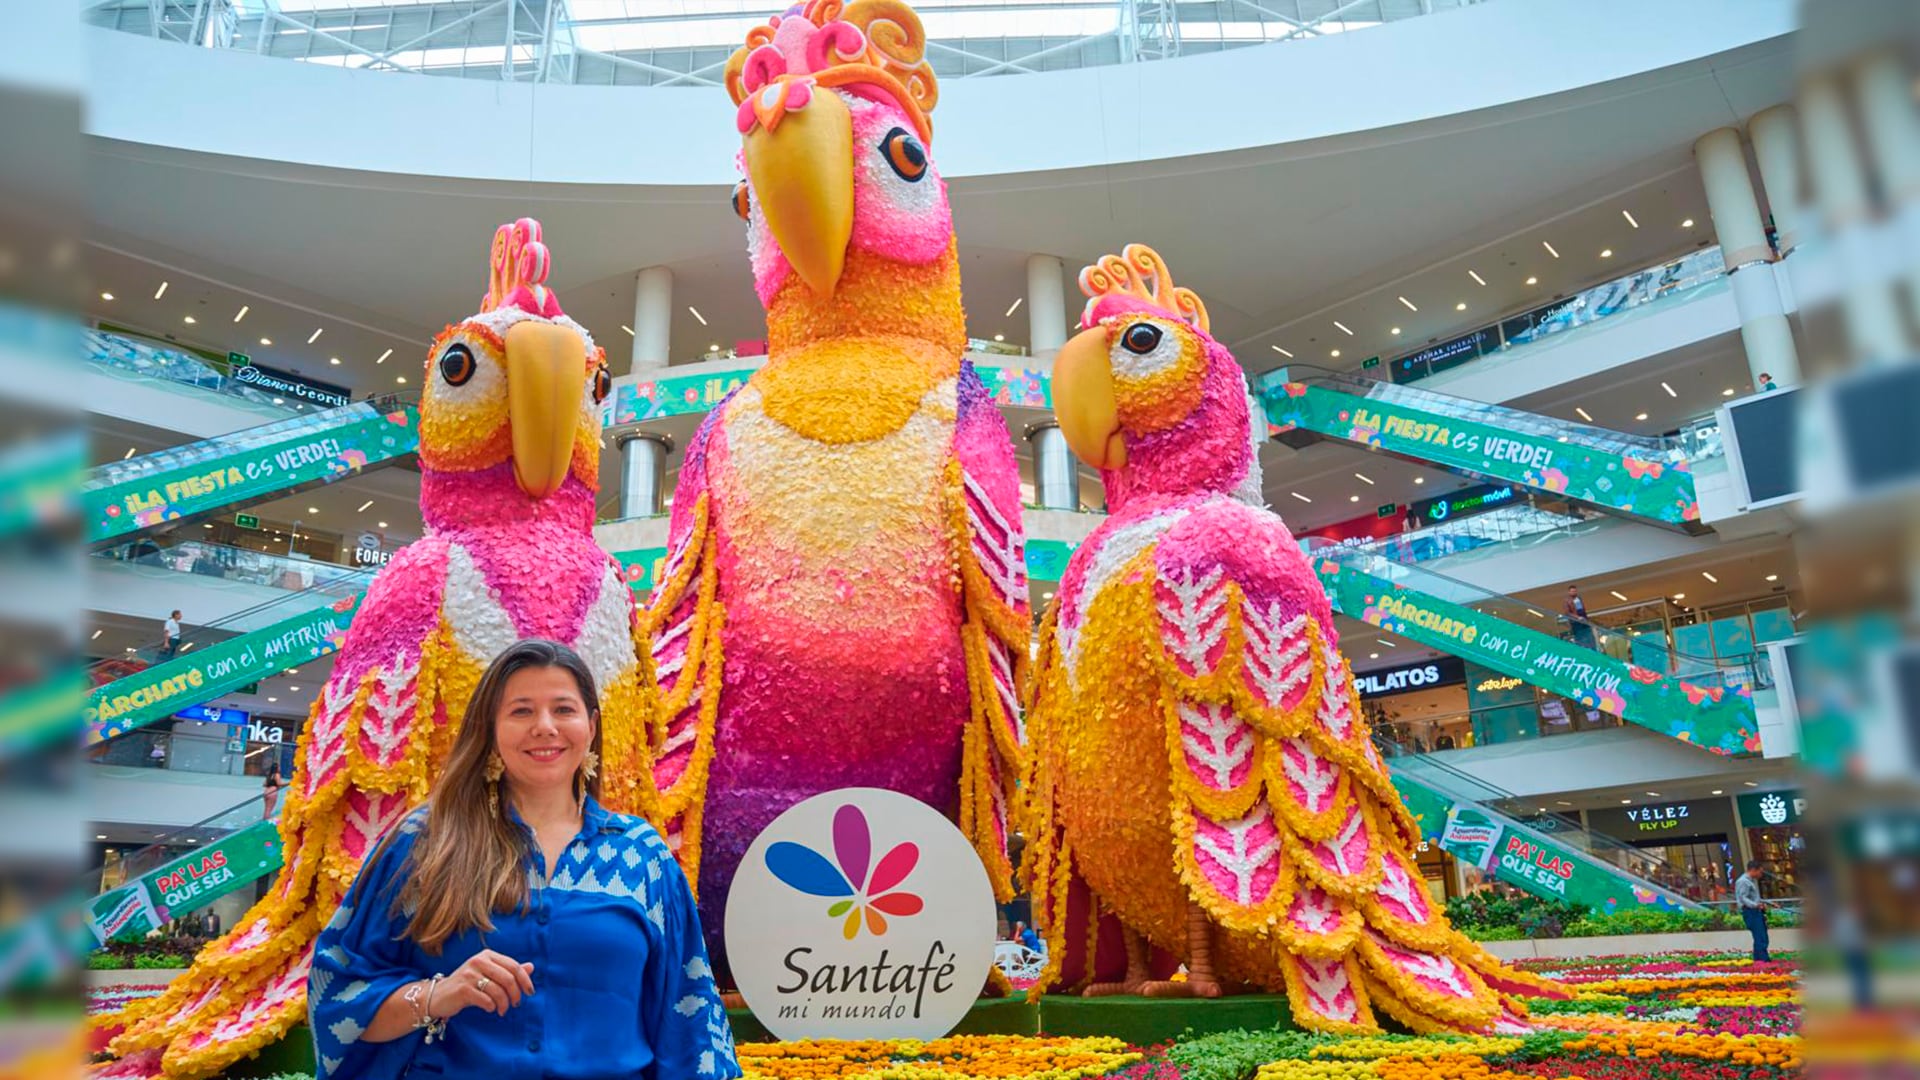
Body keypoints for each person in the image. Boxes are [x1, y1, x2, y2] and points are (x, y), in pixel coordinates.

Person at [309, 639, 739, 1080]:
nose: (545, 726)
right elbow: (336, 997)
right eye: (521, 711)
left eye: (564, 709)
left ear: (591, 726)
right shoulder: (424, 845)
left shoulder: (642, 855)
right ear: (490, 729)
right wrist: (437, 994)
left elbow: (692, 1025)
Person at [1735, 861, 1772, 962]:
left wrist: (1768, 903)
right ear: (1753, 870)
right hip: (1751, 912)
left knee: (1761, 936)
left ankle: (1760, 960)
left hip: (1755, 911)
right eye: (1760, 872)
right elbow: (1743, 898)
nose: (1761, 875)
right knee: (1760, 937)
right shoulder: (1743, 881)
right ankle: (1762, 960)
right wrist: (1756, 905)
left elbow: (1753, 898)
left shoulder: (1750, 881)